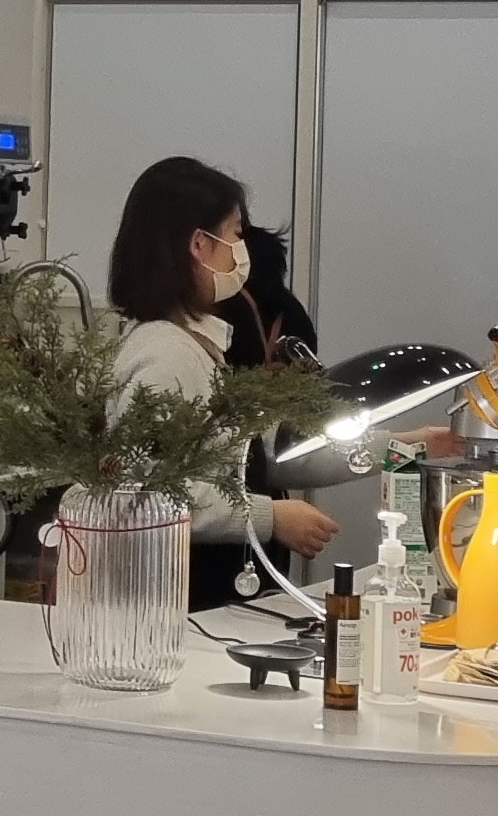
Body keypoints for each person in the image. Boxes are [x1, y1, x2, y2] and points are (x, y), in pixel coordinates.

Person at [102, 156, 337, 605]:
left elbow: (264, 451)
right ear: (199, 244)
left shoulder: (196, 346)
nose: (240, 250)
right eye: (235, 234)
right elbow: (150, 493)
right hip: (186, 600)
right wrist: (271, 517)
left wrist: (398, 448)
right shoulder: (165, 354)